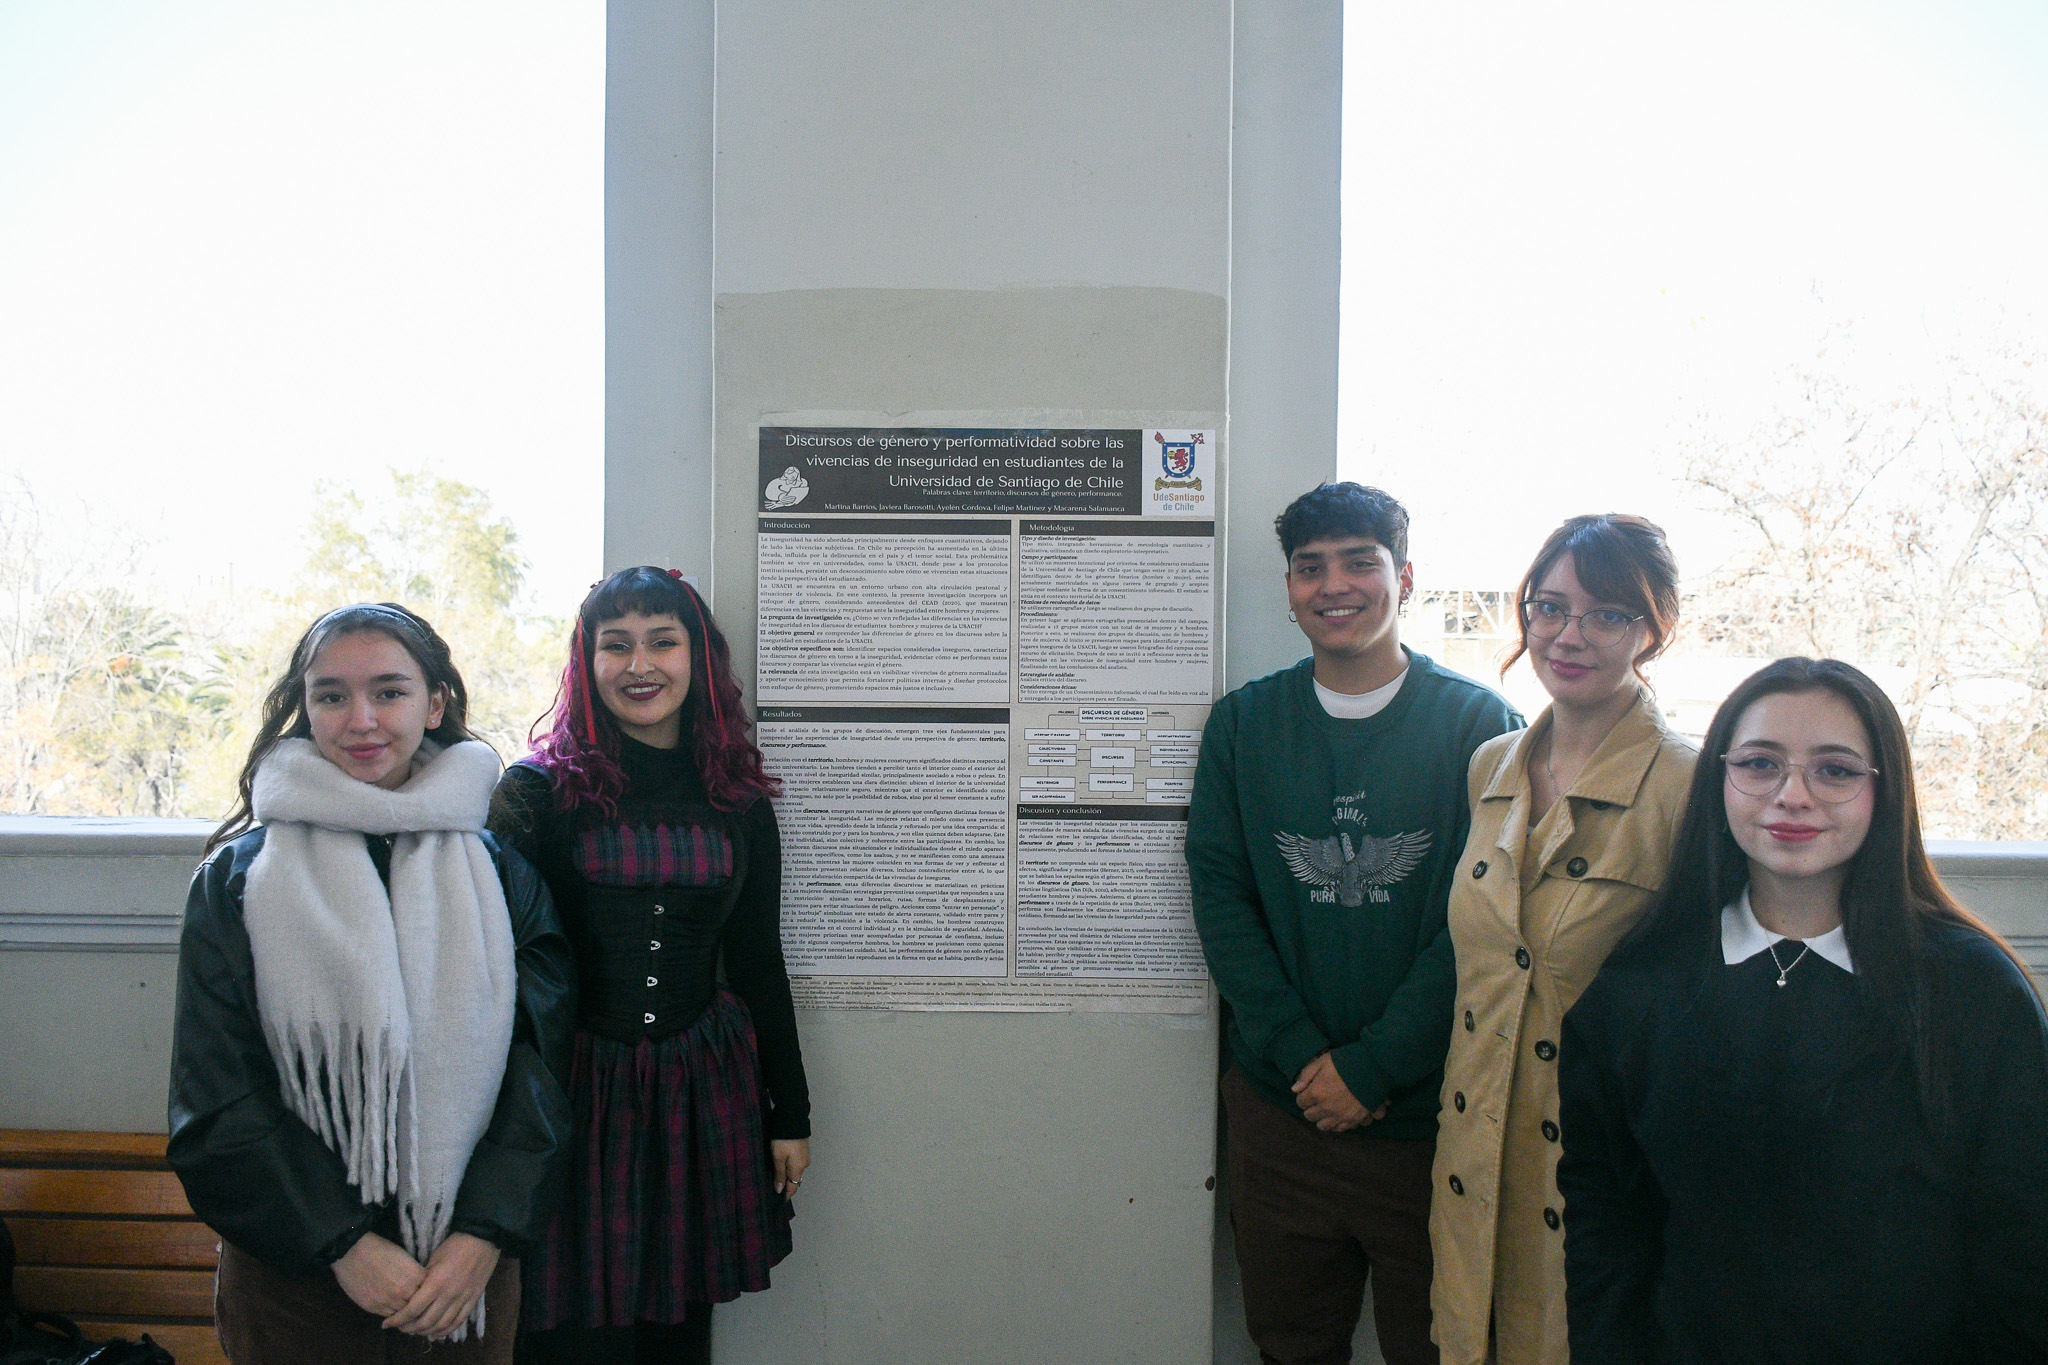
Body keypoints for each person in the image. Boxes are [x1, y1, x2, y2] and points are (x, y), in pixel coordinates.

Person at [1558, 657, 2048, 1363]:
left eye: (1835, 770)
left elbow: (2023, 1248)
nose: (1792, 796)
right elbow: (1607, 1232)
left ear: (1885, 790)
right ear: (1719, 779)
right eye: (1760, 764)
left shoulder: (1975, 992)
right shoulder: (1637, 986)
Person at [169, 603, 576, 1365]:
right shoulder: (237, 878)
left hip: (459, 1277)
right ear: (306, 706)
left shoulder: (501, 870)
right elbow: (218, 1093)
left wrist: (482, 1234)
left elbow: (541, 1069)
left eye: (389, 691)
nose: (361, 719)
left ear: (435, 703)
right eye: (331, 695)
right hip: (295, 1273)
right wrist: (342, 1244)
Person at [1189, 482, 1524, 1365]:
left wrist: (1373, 1065)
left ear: (1404, 578)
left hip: (1432, 1121)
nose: (1333, 585)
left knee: (1442, 1348)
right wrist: (1306, 1057)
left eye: (1358, 562)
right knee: (1290, 1346)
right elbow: (1221, 897)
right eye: (1310, 568)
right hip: (1282, 1114)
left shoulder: (1483, 727)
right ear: (1289, 589)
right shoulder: (1243, 725)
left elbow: (1486, 921)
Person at [490, 567, 809, 1365]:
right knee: (566, 1327)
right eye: (617, 644)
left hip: (700, 1090)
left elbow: (759, 962)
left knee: (678, 1329)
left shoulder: (737, 799)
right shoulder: (536, 793)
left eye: (662, 641)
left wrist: (791, 1113)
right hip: (573, 1090)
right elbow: (499, 974)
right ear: (586, 662)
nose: (640, 664)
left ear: (697, 657)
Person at [1429, 515, 1695, 1365]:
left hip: (1600, 1172)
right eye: (1548, 607)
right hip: (1473, 1158)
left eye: (1606, 613)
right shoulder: (1491, 765)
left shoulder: (1691, 785)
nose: (1568, 635)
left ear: (1653, 627)